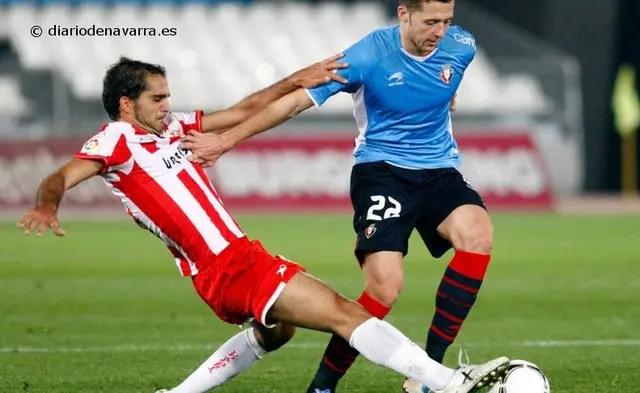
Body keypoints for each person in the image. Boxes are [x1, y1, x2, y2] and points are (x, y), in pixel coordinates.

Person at [17, 57, 509, 393]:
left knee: (277, 333)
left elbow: (247, 108)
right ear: (127, 104)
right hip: (229, 263)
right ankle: (447, 383)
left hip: (221, 269)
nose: (168, 106)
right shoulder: (116, 140)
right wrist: (47, 204)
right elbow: (61, 175)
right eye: (158, 98)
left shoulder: (170, 128)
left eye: (168, 97)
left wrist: (302, 76)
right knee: (345, 312)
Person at [178, 1, 495, 392]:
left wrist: (446, 98)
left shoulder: (461, 45)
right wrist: (225, 141)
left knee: (478, 235)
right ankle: (324, 385)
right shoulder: (366, 55)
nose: (440, 31)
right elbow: (294, 102)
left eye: (447, 21)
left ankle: (430, 374)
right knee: (384, 287)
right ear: (403, 14)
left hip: (439, 171)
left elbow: (445, 81)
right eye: (431, 22)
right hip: (383, 173)